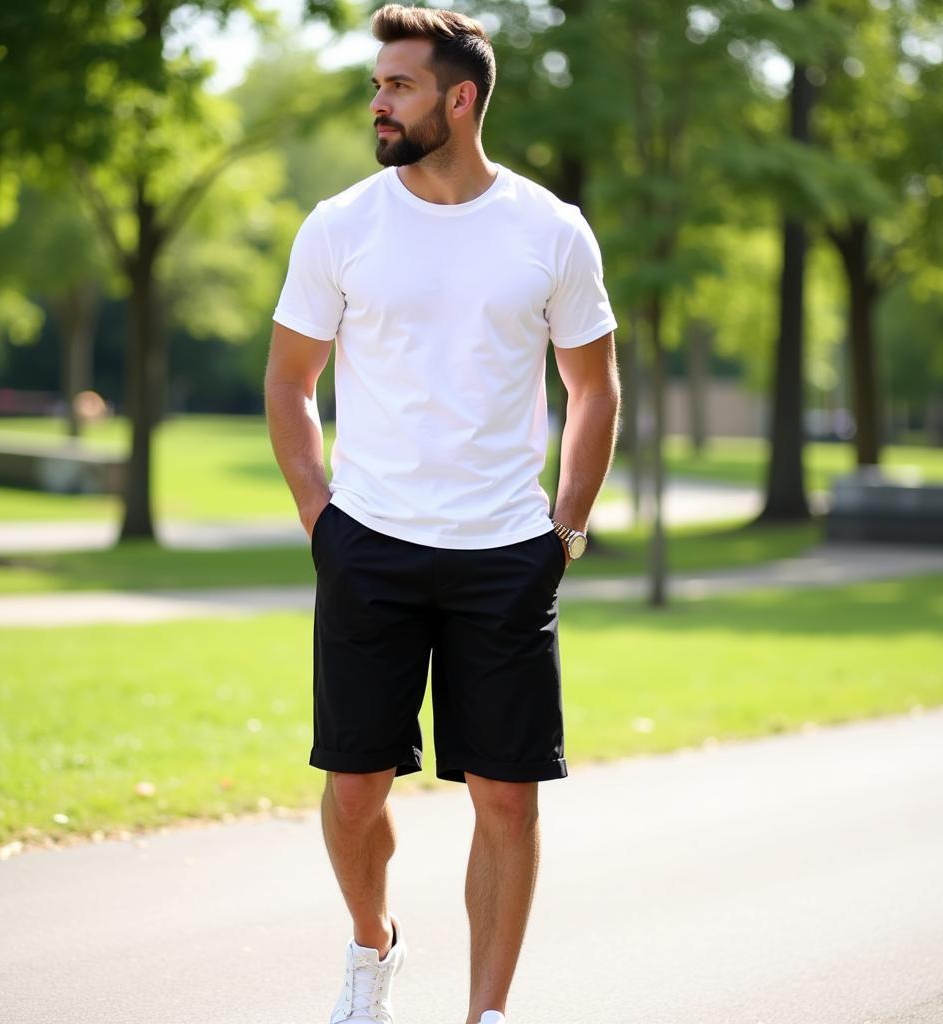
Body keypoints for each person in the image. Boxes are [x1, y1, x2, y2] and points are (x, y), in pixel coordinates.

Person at [265, 5, 620, 1022]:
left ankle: (488, 1013)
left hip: (507, 552)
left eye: (398, 86)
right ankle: (371, 951)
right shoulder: (341, 225)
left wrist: (568, 526)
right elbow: (290, 379)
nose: (377, 102)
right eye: (378, 84)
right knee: (353, 789)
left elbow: (593, 386)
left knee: (507, 796)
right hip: (368, 546)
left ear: (459, 100)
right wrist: (319, 518)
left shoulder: (551, 230)